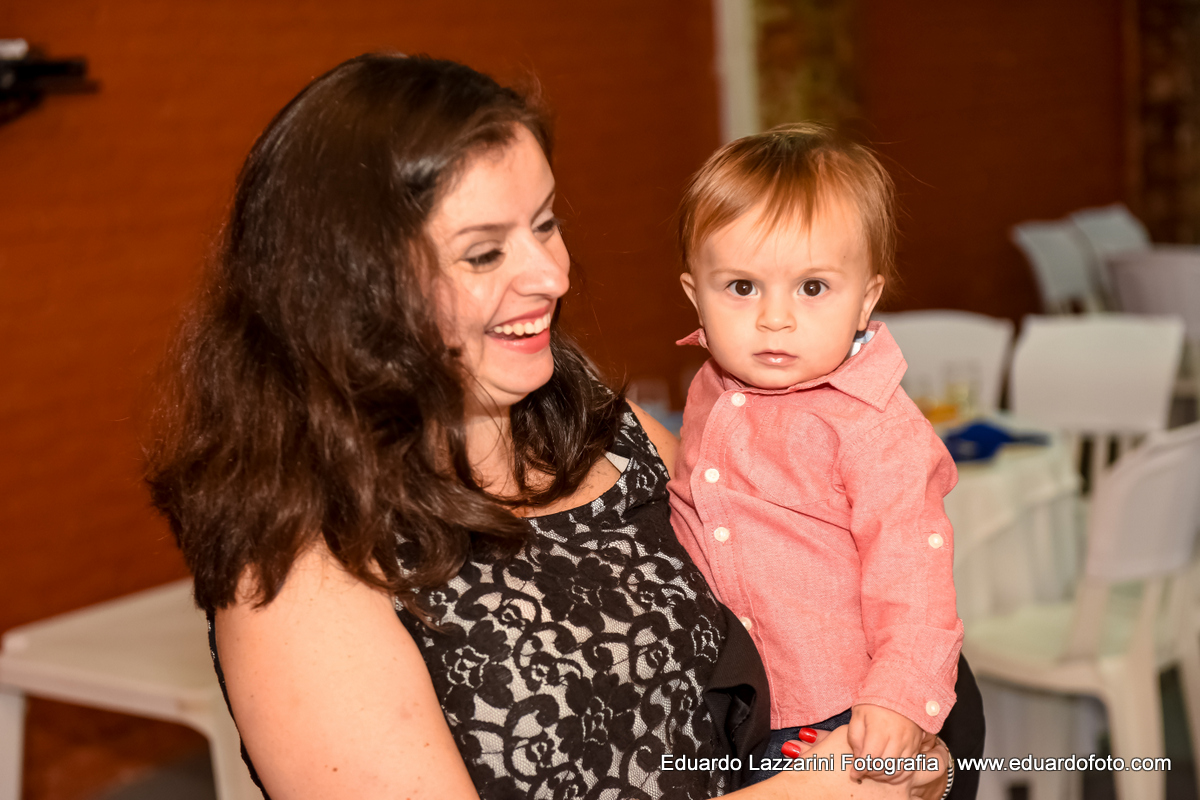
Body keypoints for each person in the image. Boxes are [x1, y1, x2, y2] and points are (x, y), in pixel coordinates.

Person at [146, 53, 953, 799]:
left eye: (544, 223)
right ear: (353, 288)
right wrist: (834, 789)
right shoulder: (303, 571)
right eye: (484, 253)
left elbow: (859, 606)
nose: (551, 274)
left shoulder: (610, 434)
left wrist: (923, 763)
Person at [668, 125, 971, 788]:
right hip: (728, 708)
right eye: (742, 288)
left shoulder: (873, 427)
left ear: (866, 299)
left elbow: (913, 581)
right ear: (695, 295)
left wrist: (897, 696)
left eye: (812, 289)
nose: (775, 318)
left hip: (834, 715)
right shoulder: (707, 391)